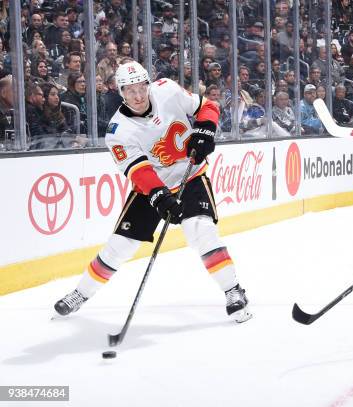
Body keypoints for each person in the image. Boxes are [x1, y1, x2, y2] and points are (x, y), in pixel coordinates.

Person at [53, 61, 252, 323]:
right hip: (150, 187)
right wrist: (159, 195)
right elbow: (138, 171)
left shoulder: (167, 89)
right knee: (120, 246)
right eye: (129, 90)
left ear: (149, 84)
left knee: (200, 231)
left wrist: (205, 130)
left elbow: (207, 107)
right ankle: (80, 293)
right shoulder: (118, 131)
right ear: (120, 91)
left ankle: (233, 290)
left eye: (141, 88)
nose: (137, 96)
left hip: (190, 175)